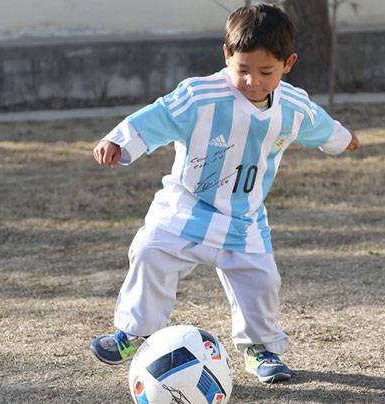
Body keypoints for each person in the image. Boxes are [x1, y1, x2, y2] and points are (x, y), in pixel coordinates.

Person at [90, 3, 360, 384]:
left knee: (261, 282)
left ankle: (261, 349)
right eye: (242, 70)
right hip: (185, 208)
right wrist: (117, 140)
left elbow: (320, 123)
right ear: (226, 56)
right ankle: (134, 333)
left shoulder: (293, 106)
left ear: (288, 63)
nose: (253, 81)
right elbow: (157, 116)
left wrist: (343, 139)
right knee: (150, 252)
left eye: (265, 72)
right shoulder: (200, 96)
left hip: (243, 217)